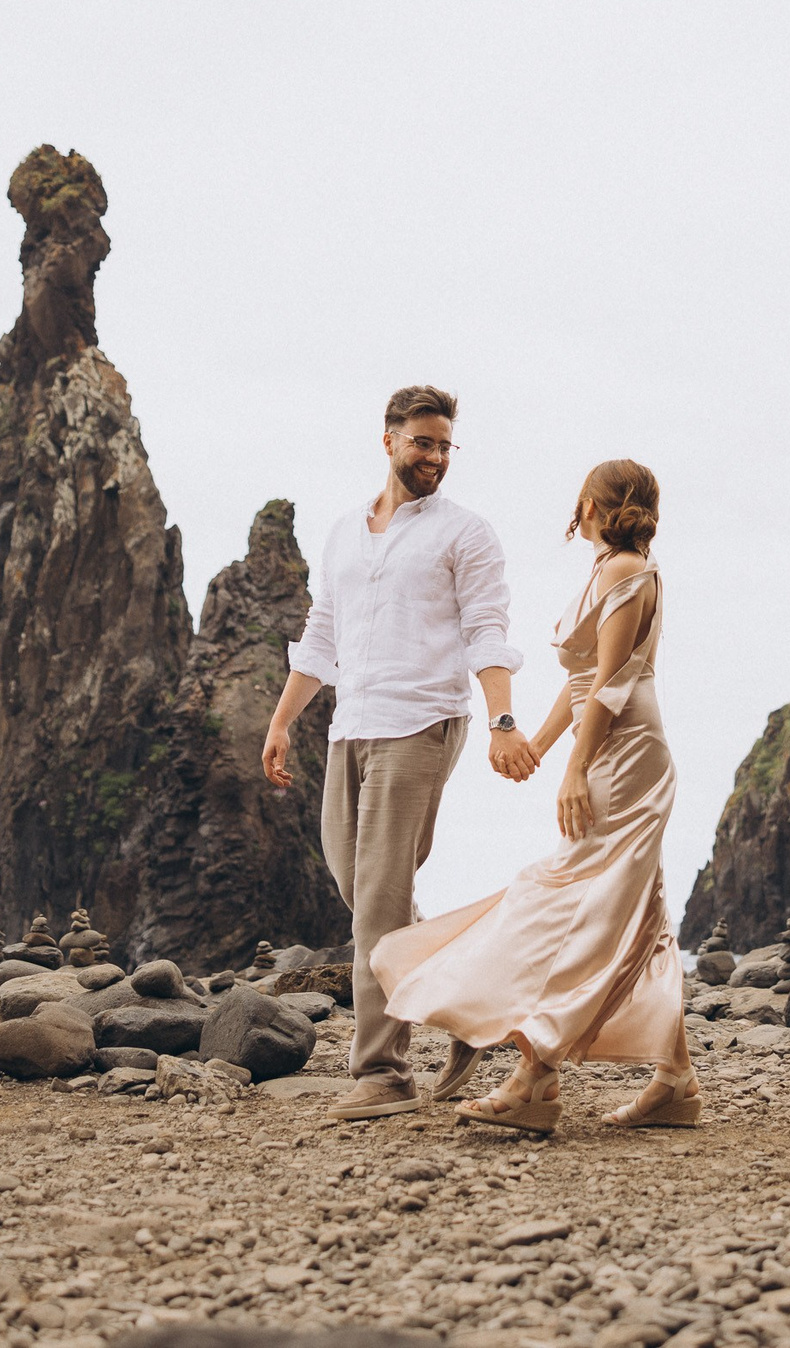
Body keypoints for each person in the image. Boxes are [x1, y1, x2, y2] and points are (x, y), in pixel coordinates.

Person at [371, 458, 698, 1132]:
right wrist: (541, 749)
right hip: (611, 744)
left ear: (595, 505)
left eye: (581, 502)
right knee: (635, 910)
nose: (574, 514)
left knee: (572, 896)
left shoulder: (626, 572)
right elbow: (581, 684)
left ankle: (536, 1075)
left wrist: (576, 768)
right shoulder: (610, 570)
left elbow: (609, 686)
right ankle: (676, 1081)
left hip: (627, 753)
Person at [261, 384, 537, 1121]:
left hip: (423, 723)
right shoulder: (346, 532)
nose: (436, 458)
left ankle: (382, 1071)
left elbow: (487, 628)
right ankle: (467, 1011)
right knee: (361, 889)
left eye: (445, 446)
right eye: (423, 443)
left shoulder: (465, 534)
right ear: (389, 441)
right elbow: (322, 632)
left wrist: (503, 718)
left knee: (378, 901)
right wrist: (285, 720)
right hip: (351, 724)